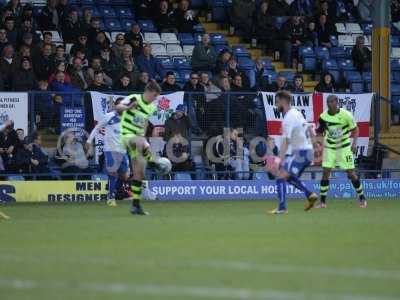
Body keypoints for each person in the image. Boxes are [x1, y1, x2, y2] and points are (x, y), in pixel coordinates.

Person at [116, 81, 167, 215]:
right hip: (126, 135)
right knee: (141, 143)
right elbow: (118, 107)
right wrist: (129, 107)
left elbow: (144, 122)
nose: (155, 98)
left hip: (138, 139)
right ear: (149, 91)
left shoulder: (151, 107)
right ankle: (153, 161)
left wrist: (143, 135)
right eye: (155, 95)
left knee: (139, 173)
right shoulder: (135, 98)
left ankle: (136, 205)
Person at [268, 91, 318, 214]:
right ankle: (310, 194)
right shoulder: (297, 112)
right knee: (288, 176)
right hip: (306, 152)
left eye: (277, 102)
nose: (275, 105)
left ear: (283, 101)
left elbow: (286, 142)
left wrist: (278, 160)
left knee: (280, 174)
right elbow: (310, 129)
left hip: (301, 152)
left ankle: (282, 208)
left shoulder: (288, 118)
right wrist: (315, 145)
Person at [316, 95, 367, 209]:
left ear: (337, 102)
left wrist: (354, 143)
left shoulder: (346, 115)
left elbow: (355, 129)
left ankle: (362, 198)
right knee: (325, 172)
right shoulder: (323, 117)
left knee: (351, 173)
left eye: (332, 102)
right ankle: (323, 202)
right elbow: (319, 132)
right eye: (328, 102)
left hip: (344, 147)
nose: (330, 104)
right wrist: (319, 145)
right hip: (330, 147)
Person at [87, 98, 132, 207]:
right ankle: (111, 197)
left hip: (123, 150)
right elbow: (97, 128)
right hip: (110, 149)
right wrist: (89, 141)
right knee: (113, 173)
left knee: (125, 175)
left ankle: (116, 190)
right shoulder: (109, 116)